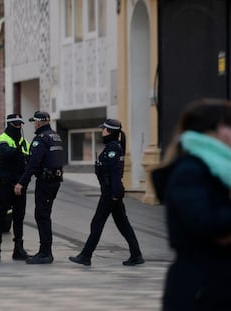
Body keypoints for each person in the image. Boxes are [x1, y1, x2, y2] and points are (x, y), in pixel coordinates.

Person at [151, 98, 231, 310]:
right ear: (211, 131)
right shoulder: (190, 171)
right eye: (229, 125)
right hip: (200, 290)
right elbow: (202, 223)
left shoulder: (223, 171)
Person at [69, 119, 144, 267]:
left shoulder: (112, 149)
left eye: (103, 129)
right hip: (111, 191)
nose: (101, 131)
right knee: (123, 225)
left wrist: (115, 193)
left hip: (111, 192)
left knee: (97, 223)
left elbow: (115, 172)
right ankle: (136, 255)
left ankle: (85, 256)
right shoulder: (112, 147)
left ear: (109, 131)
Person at [14, 111, 64, 264]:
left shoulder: (40, 139)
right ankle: (45, 251)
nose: (33, 124)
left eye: (34, 121)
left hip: (45, 182)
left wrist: (21, 183)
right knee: (44, 215)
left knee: (41, 215)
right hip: (55, 180)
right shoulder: (55, 136)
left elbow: (33, 165)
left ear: (39, 122)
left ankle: (45, 253)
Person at [0, 114, 30, 263]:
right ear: (9, 124)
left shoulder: (24, 142)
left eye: (20, 123)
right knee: (0, 217)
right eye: (15, 123)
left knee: (19, 217)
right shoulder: (2, 139)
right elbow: (5, 153)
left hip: (19, 184)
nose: (18, 126)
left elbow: (29, 162)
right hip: (5, 184)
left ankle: (18, 249)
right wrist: (18, 151)